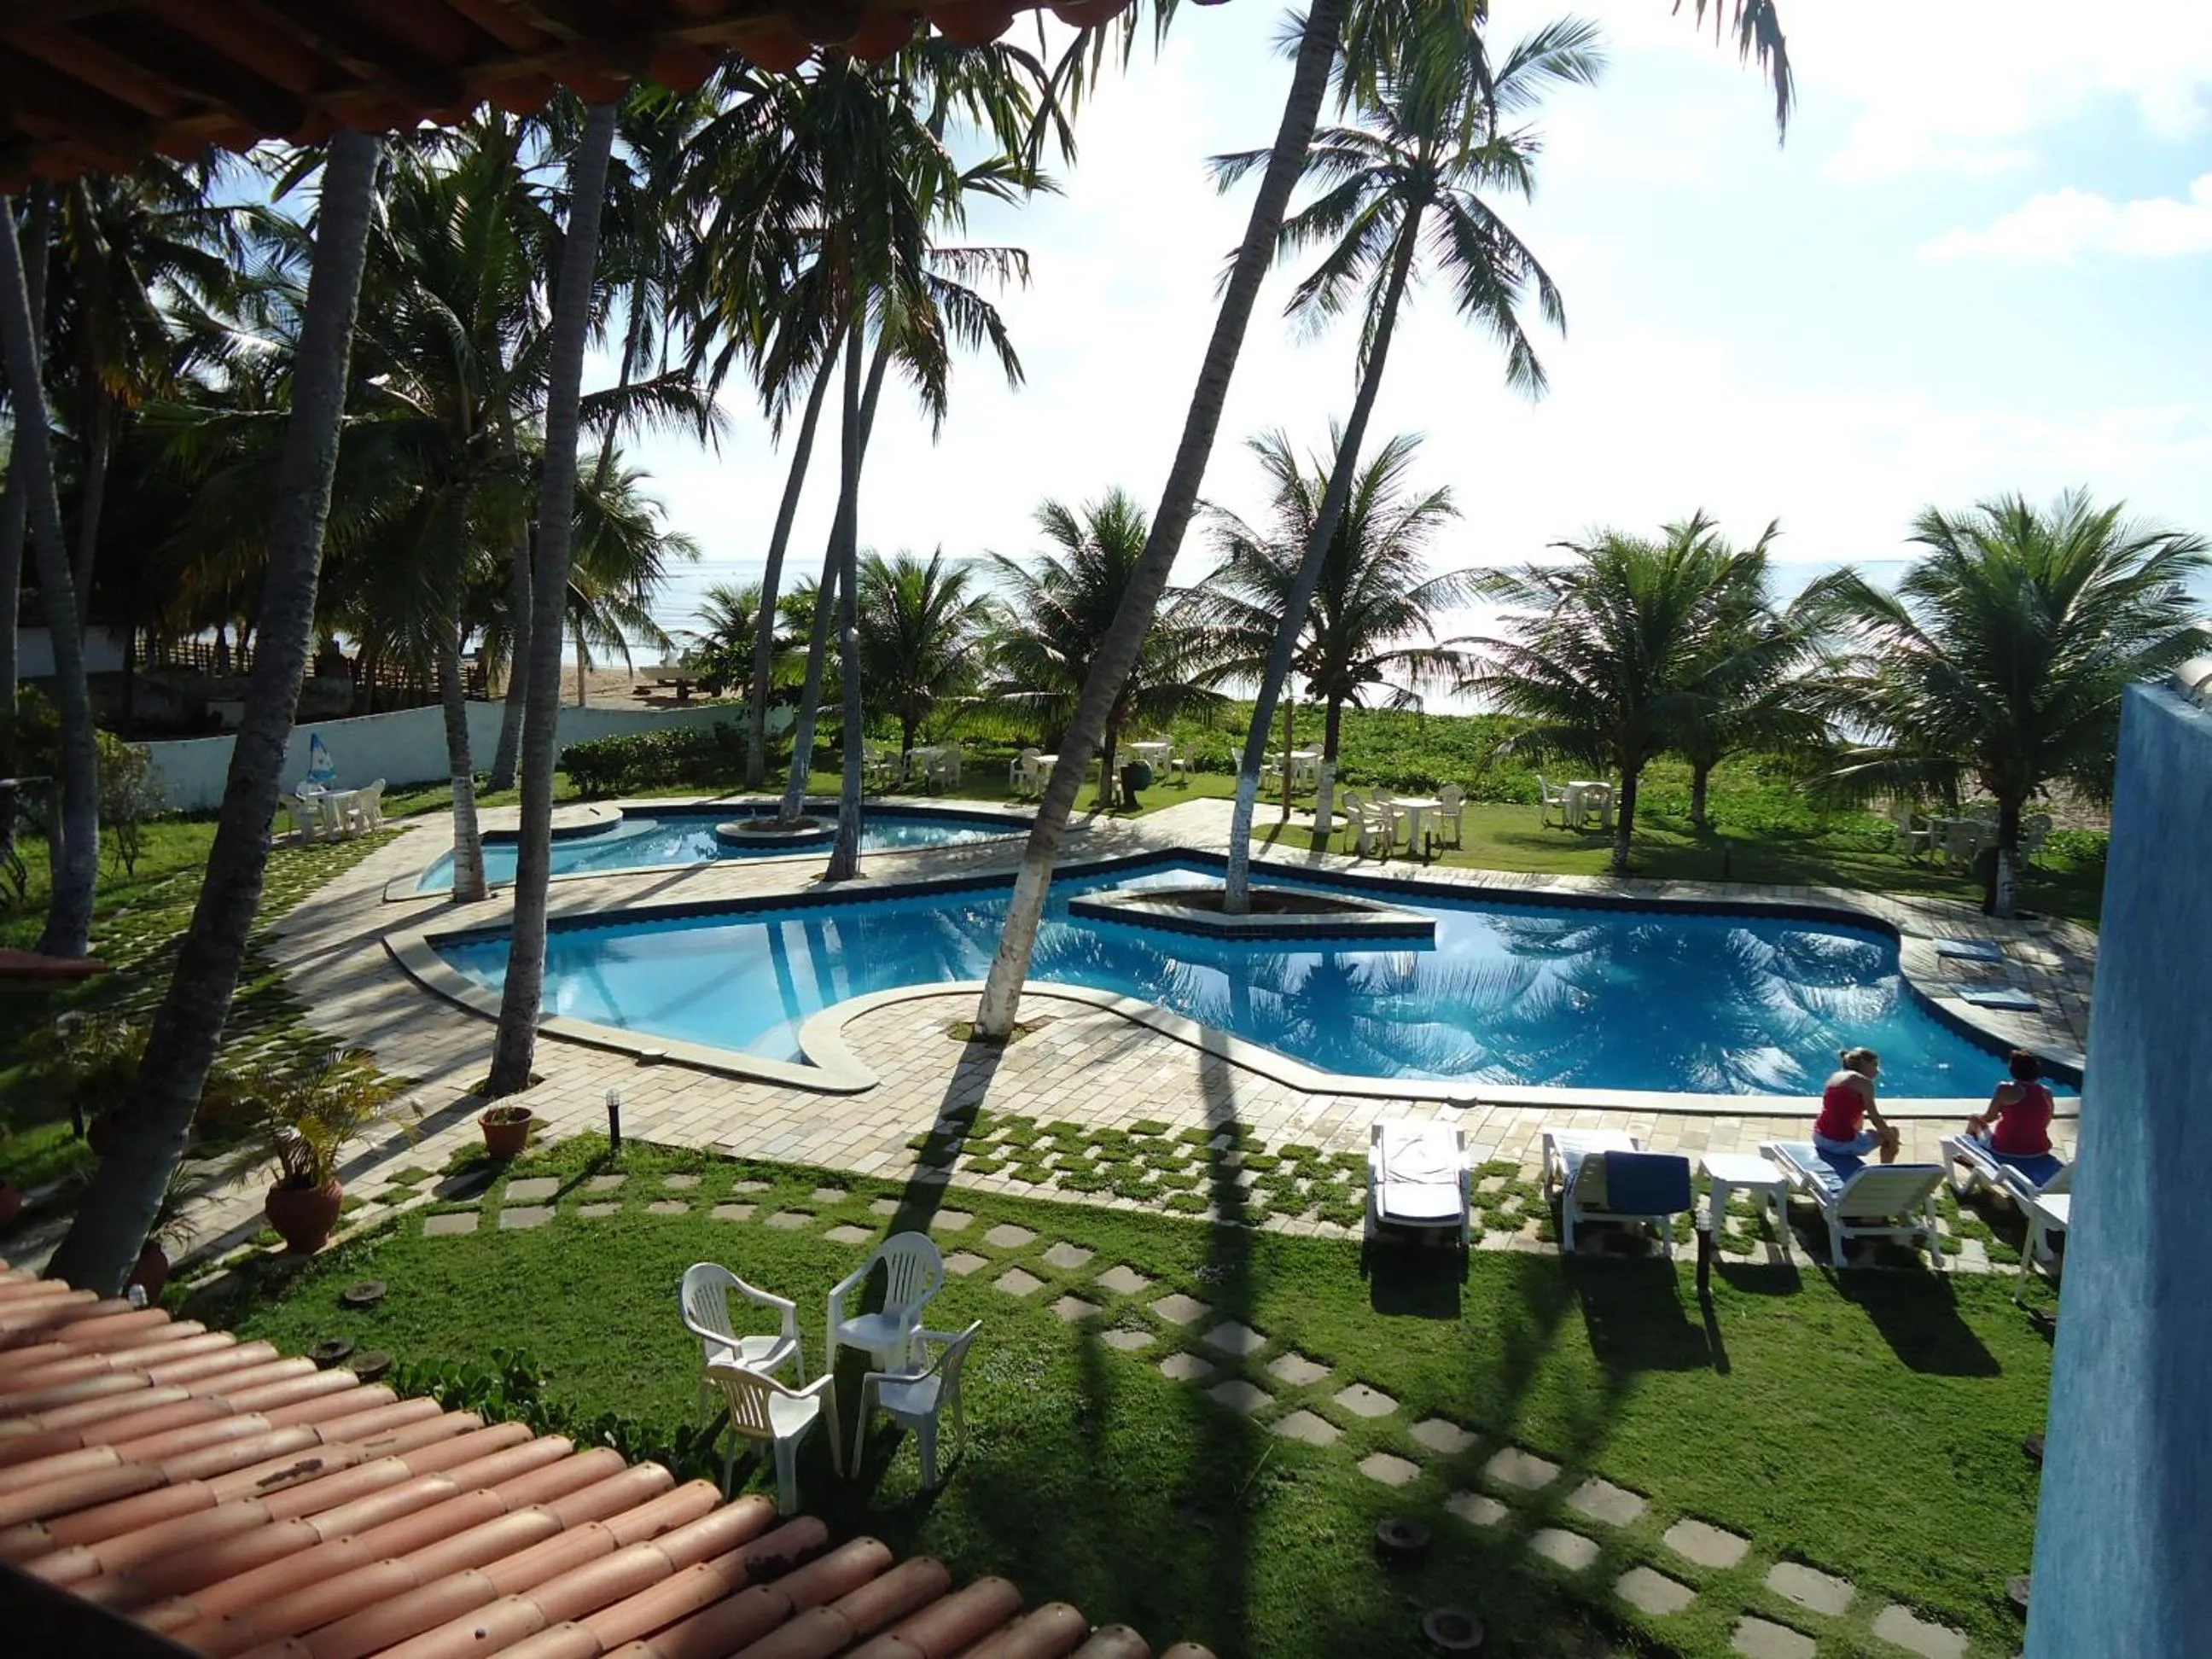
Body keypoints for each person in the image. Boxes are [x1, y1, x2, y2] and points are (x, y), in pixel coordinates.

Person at [1963, 1049, 2061, 1182]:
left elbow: (1988, 1118)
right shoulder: (2046, 1092)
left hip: (2005, 1149)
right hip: (2039, 1149)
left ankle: (1967, 1157)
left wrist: (1993, 1116)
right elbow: (2046, 1120)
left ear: (2013, 1070)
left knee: (1974, 1119)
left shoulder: (2005, 1089)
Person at [1814, 1046, 1901, 1164]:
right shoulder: (1864, 1083)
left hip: (1819, 1137)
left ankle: (1853, 1145)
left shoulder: (1836, 1076)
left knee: (1859, 1117)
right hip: (1838, 1143)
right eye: (1874, 1065)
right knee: (1893, 1132)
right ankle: (1886, 1170)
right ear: (1864, 1063)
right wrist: (1892, 1141)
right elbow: (1875, 1117)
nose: (1877, 1070)